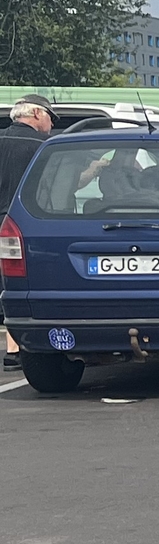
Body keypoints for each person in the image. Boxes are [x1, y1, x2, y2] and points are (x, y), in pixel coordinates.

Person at [0, 98, 51, 369]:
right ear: (35, 113)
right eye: (49, 116)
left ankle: (11, 350)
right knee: (18, 283)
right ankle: (16, 348)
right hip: (19, 224)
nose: (51, 124)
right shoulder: (41, 148)